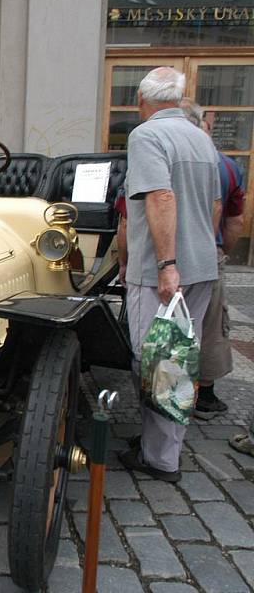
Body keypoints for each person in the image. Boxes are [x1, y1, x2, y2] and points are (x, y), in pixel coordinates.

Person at [117, 67, 221, 483]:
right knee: (179, 355)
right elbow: (214, 205)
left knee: (159, 358)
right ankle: (158, 445)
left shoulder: (146, 135)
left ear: (142, 101)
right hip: (200, 265)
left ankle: (160, 459)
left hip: (164, 269)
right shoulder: (201, 137)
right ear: (178, 99)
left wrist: (166, 265)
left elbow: (161, 196)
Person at [178, 99, 247, 420]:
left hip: (160, 259)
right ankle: (204, 393)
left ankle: (166, 398)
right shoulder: (226, 165)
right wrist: (220, 250)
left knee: (167, 325)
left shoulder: (159, 157)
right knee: (209, 324)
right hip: (207, 253)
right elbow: (234, 220)